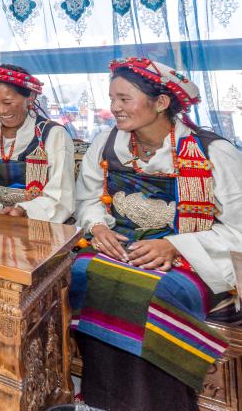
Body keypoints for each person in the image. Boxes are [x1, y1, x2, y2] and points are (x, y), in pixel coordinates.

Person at [72, 57, 242, 411]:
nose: (115, 108)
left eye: (124, 99)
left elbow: (238, 230)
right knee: (82, 271)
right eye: (112, 98)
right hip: (123, 247)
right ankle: (101, 399)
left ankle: (159, 402)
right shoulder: (106, 144)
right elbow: (88, 200)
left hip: (194, 259)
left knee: (154, 289)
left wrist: (174, 246)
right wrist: (98, 226)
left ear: (161, 102)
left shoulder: (213, 152)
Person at [0, 64, 74, 222]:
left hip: (33, 219)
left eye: (7, 103)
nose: (1, 110)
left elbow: (61, 193)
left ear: (30, 97)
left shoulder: (53, 134)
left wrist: (23, 210)